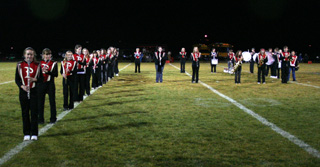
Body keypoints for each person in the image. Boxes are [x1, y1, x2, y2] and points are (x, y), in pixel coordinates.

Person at [15, 47, 43, 141]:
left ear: (33, 55)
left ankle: (34, 133)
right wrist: (22, 86)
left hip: (34, 92)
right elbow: (17, 79)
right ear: (24, 55)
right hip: (23, 92)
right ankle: (26, 133)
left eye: (31, 54)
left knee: (34, 113)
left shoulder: (37, 65)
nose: (29, 56)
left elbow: (41, 79)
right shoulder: (19, 65)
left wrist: (34, 79)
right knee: (25, 113)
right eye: (28, 54)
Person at [38, 48, 58, 124]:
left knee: (52, 102)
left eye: (48, 54)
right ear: (43, 55)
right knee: (40, 102)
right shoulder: (39, 63)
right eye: (45, 54)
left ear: (50, 55)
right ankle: (40, 119)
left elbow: (56, 74)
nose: (47, 56)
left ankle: (53, 118)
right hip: (41, 84)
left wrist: (48, 72)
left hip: (50, 84)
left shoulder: (54, 63)